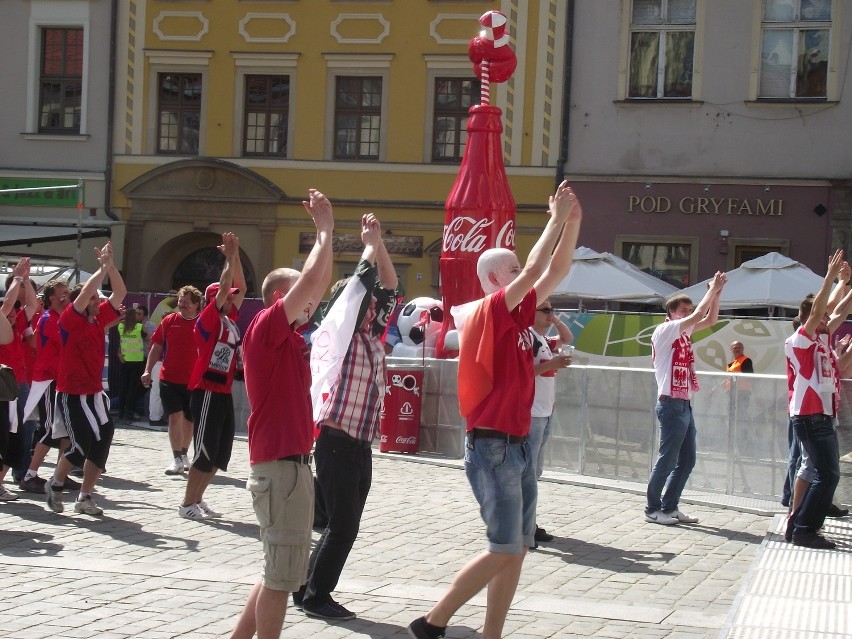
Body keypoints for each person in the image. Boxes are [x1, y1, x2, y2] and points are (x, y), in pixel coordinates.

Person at [408, 180, 582, 639]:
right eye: (514, 268)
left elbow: (556, 267)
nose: (524, 273)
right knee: (504, 547)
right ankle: (430, 623)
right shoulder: (490, 309)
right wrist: (556, 220)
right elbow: (535, 271)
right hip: (494, 446)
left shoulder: (519, 315)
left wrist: (574, 221)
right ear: (495, 279)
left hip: (516, 444)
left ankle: (491, 634)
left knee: (517, 548)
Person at [230, 188, 334, 639]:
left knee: (279, 568)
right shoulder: (265, 326)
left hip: (289, 466)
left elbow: (319, 282)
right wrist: (324, 230)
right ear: (279, 297)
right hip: (280, 467)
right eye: (300, 295)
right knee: (282, 577)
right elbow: (313, 282)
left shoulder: (289, 337)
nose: (312, 301)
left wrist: (328, 240)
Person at [293, 212, 397, 622]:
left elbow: (388, 286)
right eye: (367, 305)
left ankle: (305, 587)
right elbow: (366, 285)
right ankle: (316, 596)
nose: (375, 308)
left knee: (339, 524)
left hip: (357, 444)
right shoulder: (340, 334)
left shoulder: (369, 338)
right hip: (336, 443)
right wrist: (368, 247)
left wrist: (379, 241)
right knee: (342, 526)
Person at [45, 241, 127, 516]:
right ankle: (55, 484)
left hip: (94, 392)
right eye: (92, 299)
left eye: (97, 300)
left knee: (102, 442)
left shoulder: (99, 317)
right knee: (81, 444)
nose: (97, 302)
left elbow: (121, 292)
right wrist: (100, 269)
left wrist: (111, 266)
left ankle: (85, 496)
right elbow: (88, 292)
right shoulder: (70, 319)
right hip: (72, 392)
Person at [645, 272, 727, 526]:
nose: (688, 313)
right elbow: (697, 316)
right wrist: (711, 290)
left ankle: (670, 507)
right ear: (671, 312)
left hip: (683, 403)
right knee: (667, 459)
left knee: (687, 459)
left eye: (688, 309)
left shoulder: (683, 332)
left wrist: (717, 293)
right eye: (683, 310)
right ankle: (652, 508)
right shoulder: (666, 329)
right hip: (670, 402)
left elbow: (710, 318)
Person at [179, 232, 245, 519]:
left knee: (220, 453)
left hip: (222, 392)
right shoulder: (208, 318)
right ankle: (186, 504)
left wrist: (237, 255)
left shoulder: (229, 321)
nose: (231, 300)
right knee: (204, 452)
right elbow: (226, 289)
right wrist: (228, 259)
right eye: (225, 297)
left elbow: (238, 287)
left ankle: (198, 499)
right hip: (205, 390)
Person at [784, 250, 847, 548]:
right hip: (809, 415)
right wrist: (830, 277)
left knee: (824, 472)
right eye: (821, 317)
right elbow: (824, 306)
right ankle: (803, 528)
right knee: (826, 474)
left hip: (820, 414)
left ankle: (802, 524)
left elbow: (840, 311)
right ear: (810, 318)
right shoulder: (800, 338)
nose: (827, 320)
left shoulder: (820, 338)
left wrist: (848, 284)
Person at [18, 279, 78, 494]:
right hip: (49, 379)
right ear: (52, 298)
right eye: (64, 292)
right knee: (49, 428)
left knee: (65, 431)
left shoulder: (63, 317)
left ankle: (60, 475)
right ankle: (29, 475)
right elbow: (69, 341)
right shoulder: (49, 318)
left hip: (62, 379)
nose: (68, 295)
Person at [141, 286, 202, 476]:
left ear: (196, 304)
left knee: (189, 420)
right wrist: (147, 370)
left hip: (194, 380)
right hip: (169, 378)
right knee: (174, 417)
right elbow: (156, 347)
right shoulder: (169, 320)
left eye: (185, 302)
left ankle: (184, 455)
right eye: (180, 302)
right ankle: (176, 458)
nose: (181, 306)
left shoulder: (203, 323)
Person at [527, 298, 573, 546]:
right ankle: (526, 527)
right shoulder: (529, 337)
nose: (550, 313)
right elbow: (521, 372)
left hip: (545, 412)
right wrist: (554, 363)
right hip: (532, 413)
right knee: (528, 474)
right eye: (544, 309)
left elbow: (568, 338)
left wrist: (554, 319)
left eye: (552, 309)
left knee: (535, 472)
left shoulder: (542, 338)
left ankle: (529, 524)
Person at [0, 258, 38, 499]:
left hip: (20, 382)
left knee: (25, 429)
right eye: (12, 311)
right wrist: (16, 279)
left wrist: (25, 278)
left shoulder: (17, 321)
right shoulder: (3, 318)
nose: (15, 315)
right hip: (4, 384)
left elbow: (32, 303)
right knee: (7, 433)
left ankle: (18, 472)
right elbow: (6, 306)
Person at [116, 303, 147, 422]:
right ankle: (128, 413)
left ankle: (120, 412)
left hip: (124, 360)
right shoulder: (139, 327)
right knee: (133, 388)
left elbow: (121, 341)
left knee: (123, 387)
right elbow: (148, 337)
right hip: (137, 360)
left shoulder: (120, 327)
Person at [137, 304, 165, 426]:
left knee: (156, 391)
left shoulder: (158, 331)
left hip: (155, 362)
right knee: (157, 391)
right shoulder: (163, 331)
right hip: (159, 362)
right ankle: (155, 417)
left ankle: (155, 416)